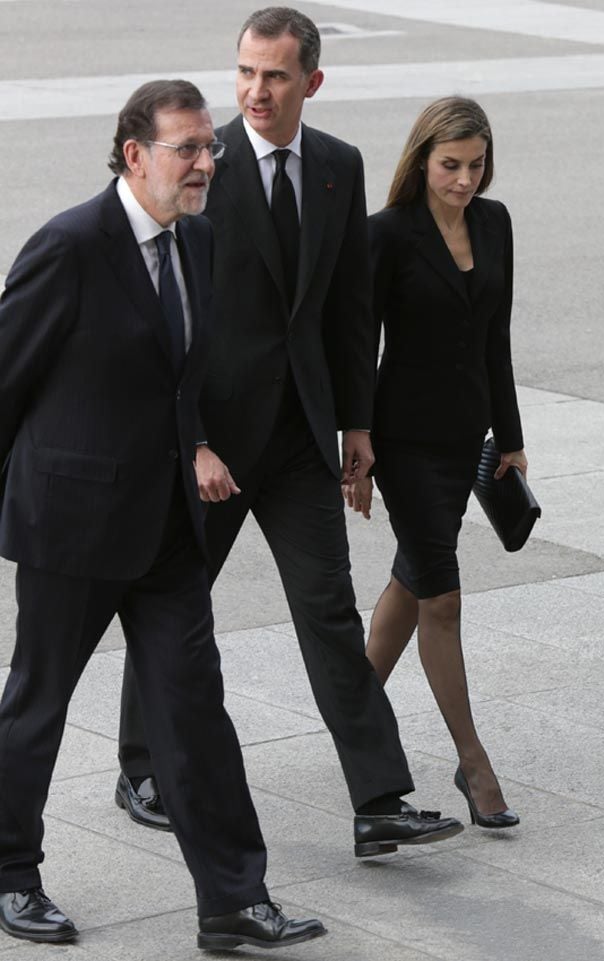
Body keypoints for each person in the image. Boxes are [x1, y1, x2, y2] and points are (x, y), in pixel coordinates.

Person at [115, 7, 463, 857]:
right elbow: (167, 311)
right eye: (244, 73)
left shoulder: (338, 167)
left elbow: (349, 311)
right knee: (174, 598)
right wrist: (186, 435)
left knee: (329, 612)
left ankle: (379, 797)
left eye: (273, 75)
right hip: (215, 444)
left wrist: (357, 422)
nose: (254, 91)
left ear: (311, 79)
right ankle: (141, 767)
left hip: (305, 438)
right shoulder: (204, 167)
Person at [0, 79, 325, 951]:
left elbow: (183, 376)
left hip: (168, 527)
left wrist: (198, 445)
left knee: (193, 710)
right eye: (187, 149)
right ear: (135, 153)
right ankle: (9, 871)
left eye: (209, 148)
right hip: (70, 525)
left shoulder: (200, 240)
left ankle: (232, 898)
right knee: (37, 704)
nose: (206, 163)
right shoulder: (69, 246)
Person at [345, 96, 525, 829]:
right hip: (405, 442)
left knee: (411, 578)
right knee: (441, 597)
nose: (463, 180)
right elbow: (358, 345)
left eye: (476, 165)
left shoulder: (495, 222)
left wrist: (509, 438)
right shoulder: (386, 235)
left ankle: (353, 721)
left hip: (464, 440)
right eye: (450, 165)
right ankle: (474, 762)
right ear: (422, 159)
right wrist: (354, 450)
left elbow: (497, 337)